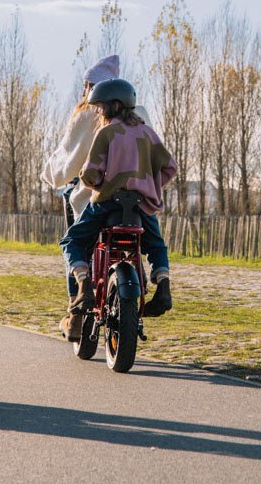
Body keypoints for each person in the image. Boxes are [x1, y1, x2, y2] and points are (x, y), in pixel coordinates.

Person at [58, 78, 177, 341]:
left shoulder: (107, 133)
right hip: (141, 206)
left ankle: (84, 288)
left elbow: (90, 174)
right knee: (156, 246)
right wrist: (151, 185)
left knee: (73, 240)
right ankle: (164, 288)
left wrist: (94, 181)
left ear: (114, 105)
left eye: (100, 107)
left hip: (107, 204)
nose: (98, 112)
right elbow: (170, 167)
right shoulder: (148, 133)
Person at [43, 55, 150, 301]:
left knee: (74, 239)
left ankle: (77, 301)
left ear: (94, 88)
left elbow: (68, 160)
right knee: (151, 240)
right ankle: (156, 278)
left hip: (99, 196)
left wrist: (49, 175)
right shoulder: (140, 113)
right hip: (140, 198)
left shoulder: (89, 114)